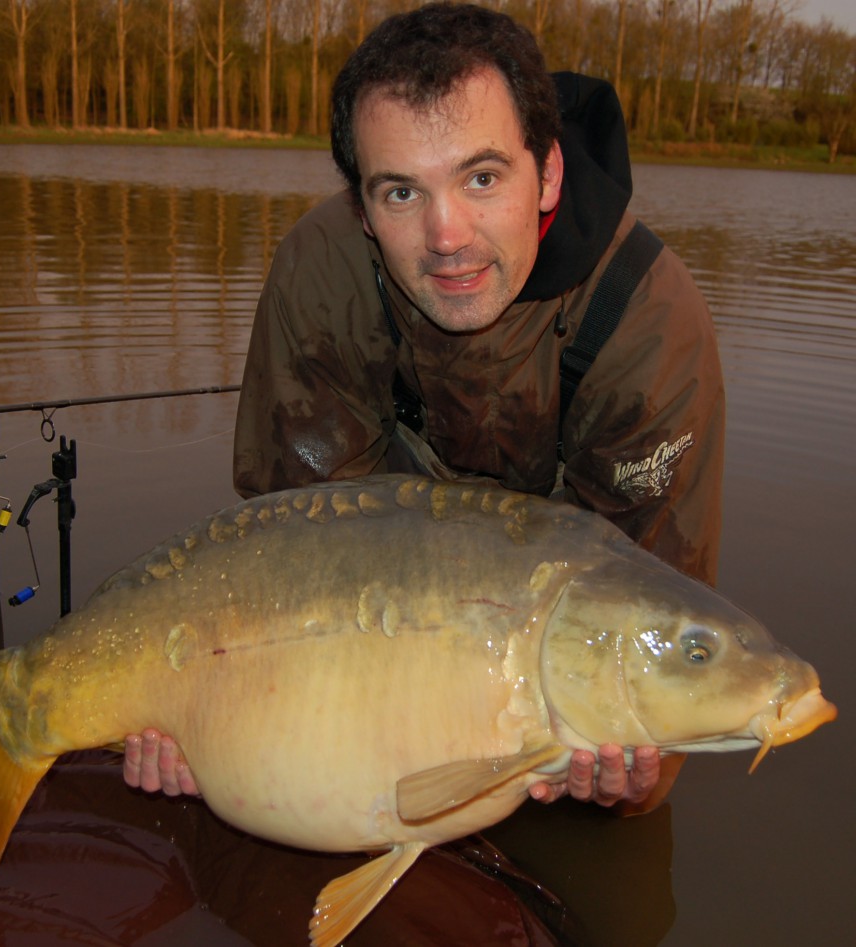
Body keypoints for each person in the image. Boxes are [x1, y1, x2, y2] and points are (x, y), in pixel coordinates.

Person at [125, 2, 723, 813]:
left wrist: (637, 779)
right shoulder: (322, 271)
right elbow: (295, 555)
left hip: (555, 654)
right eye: (401, 191)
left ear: (545, 171)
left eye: (482, 178)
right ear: (363, 207)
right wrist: (226, 724)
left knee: (610, 794)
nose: (446, 234)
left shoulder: (648, 331)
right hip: (375, 646)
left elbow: (659, 614)